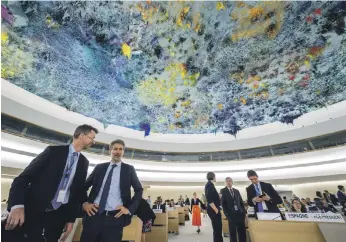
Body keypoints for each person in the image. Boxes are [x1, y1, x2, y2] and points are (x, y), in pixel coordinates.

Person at [3, 124, 98, 242]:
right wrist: (17, 205)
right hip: (33, 211)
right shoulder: (53, 152)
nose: (93, 142)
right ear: (82, 135)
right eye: (91, 138)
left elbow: (75, 193)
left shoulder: (84, 162)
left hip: (58, 217)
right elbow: (22, 179)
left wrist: (70, 219)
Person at [80, 139, 143, 242]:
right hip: (93, 216)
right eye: (115, 149)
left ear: (123, 152)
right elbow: (84, 187)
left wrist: (129, 209)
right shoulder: (100, 167)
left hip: (115, 219)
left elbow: (139, 190)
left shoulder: (129, 169)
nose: (117, 151)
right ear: (110, 151)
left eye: (120, 149)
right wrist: (84, 203)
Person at [221, 177, 246, 242]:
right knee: (232, 232)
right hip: (231, 214)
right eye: (227, 181)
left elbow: (241, 202)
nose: (228, 182)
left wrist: (243, 211)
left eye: (229, 181)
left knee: (242, 231)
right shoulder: (223, 190)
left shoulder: (236, 191)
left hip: (239, 214)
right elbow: (223, 204)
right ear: (225, 183)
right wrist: (226, 214)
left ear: (232, 182)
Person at [205, 172, 223, 242]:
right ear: (213, 177)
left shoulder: (209, 184)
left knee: (217, 229)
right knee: (217, 229)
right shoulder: (210, 185)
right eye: (215, 177)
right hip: (213, 210)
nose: (215, 178)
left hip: (213, 209)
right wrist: (216, 210)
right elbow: (209, 200)